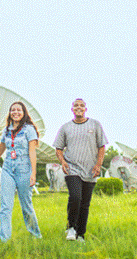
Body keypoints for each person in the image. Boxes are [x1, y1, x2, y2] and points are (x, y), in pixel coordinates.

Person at [0, 101, 42, 242]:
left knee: (26, 205)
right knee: (5, 206)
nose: (15, 112)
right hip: (8, 169)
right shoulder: (6, 131)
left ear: (23, 113)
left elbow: (32, 152)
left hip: (24, 169)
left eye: (19, 110)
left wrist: (33, 173)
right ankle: (4, 239)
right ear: (10, 113)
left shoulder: (29, 129)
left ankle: (36, 235)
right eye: (13, 110)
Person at [53, 98, 108, 241]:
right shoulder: (65, 128)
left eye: (82, 105)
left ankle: (80, 234)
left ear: (85, 109)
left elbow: (101, 147)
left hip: (90, 170)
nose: (79, 107)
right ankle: (71, 227)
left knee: (85, 203)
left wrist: (98, 165)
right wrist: (63, 162)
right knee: (76, 197)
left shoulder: (95, 125)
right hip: (72, 168)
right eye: (76, 105)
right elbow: (58, 148)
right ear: (72, 109)